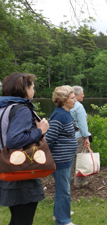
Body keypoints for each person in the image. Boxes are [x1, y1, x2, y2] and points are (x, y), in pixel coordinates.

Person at [0, 73, 49, 225]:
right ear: (25, 89)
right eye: (32, 87)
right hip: (21, 169)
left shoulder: (3, 108)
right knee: (23, 220)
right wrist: (40, 130)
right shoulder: (21, 109)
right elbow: (14, 140)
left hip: (4, 167)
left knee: (16, 218)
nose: (34, 91)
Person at [46, 85, 79, 225]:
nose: (75, 100)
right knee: (63, 191)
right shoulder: (59, 116)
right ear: (64, 100)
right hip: (60, 161)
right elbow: (49, 139)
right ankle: (63, 221)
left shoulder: (65, 113)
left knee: (63, 189)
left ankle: (58, 213)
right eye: (72, 98)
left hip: (65, 160)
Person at [70, 86, 91, 188]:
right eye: (82, 93)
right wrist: (86, 137)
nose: (83, 95)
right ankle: (79, 182)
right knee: (81, 158)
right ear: (76, 95)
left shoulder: (66, 105)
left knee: (71, 159)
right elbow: (82, 124)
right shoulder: (79, 107)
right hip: (79, 136)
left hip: (69, 136)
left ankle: (67, 180)